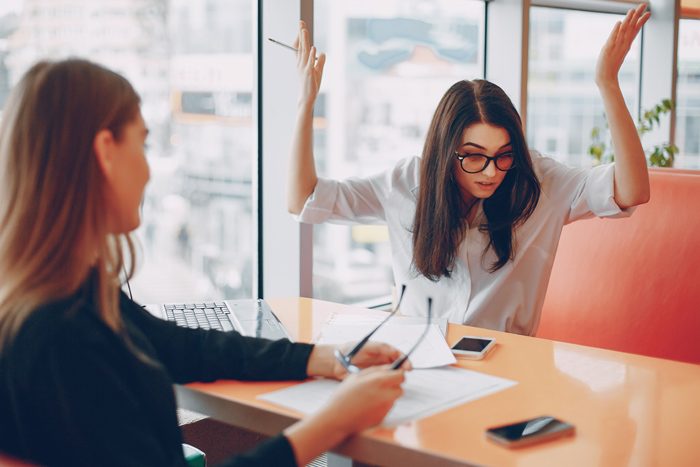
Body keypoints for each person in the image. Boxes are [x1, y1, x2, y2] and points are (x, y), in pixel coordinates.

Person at [0, 59, 409, 467]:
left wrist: (320, 357)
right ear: (106, 151)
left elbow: (183, 347)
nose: (147, 171)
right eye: (142, 144)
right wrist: (332, 424)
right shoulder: (63, 335)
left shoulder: (69, 293)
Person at [288, 5, 652, 335]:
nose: (492, 172)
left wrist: (607, 82)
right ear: (445, 153)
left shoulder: (538, 182)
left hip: (509, 364)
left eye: (504, 155)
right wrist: (305, 103)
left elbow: (633, 189)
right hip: (415, 360)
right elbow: (304, 200)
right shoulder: (404, 184)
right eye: (474, 156)